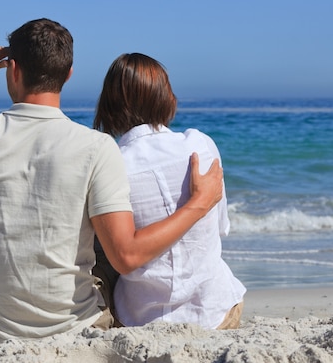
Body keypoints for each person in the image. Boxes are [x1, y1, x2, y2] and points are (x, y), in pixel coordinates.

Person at [0, 19, 224, 344]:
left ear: (13, 69)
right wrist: (198, 203)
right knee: (103, 234)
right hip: (77, 330)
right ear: (69, 74)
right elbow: (126, 257)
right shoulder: (97, 147)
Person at [93, 53, 246, 330]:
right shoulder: (200, 145)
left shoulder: (112, 166)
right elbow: (222, 226)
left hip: (139, 319)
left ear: (109, 106)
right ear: (165, 98)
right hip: (215, 310)